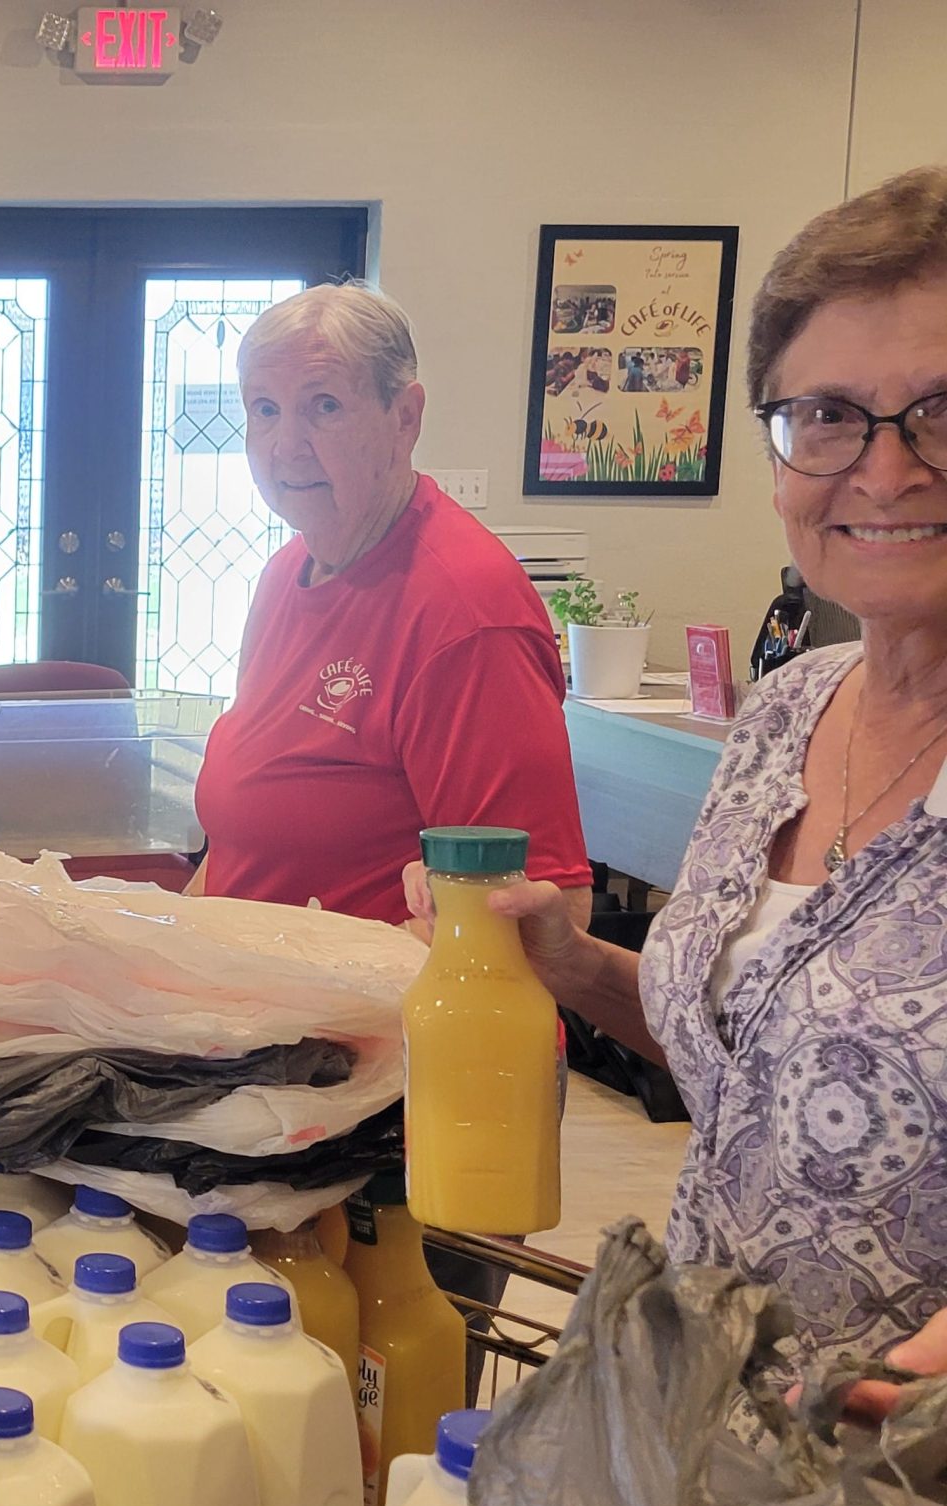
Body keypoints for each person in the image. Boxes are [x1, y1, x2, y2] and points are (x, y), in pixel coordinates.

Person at [403, 166, 947, 1397]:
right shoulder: (788, 712)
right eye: (828, 414)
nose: (884, 469)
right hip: (711, 1425)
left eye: (938, 409)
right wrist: (571, 964)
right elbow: (758, 1063)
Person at [190, 281, 594, 928]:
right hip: (249, 982)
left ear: (405, 417)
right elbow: (239, 851)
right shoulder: (287, 573)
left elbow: (549, 912)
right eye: (264, 409)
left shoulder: (466, 612)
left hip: (359, 994)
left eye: (323, 406)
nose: (285, 445)